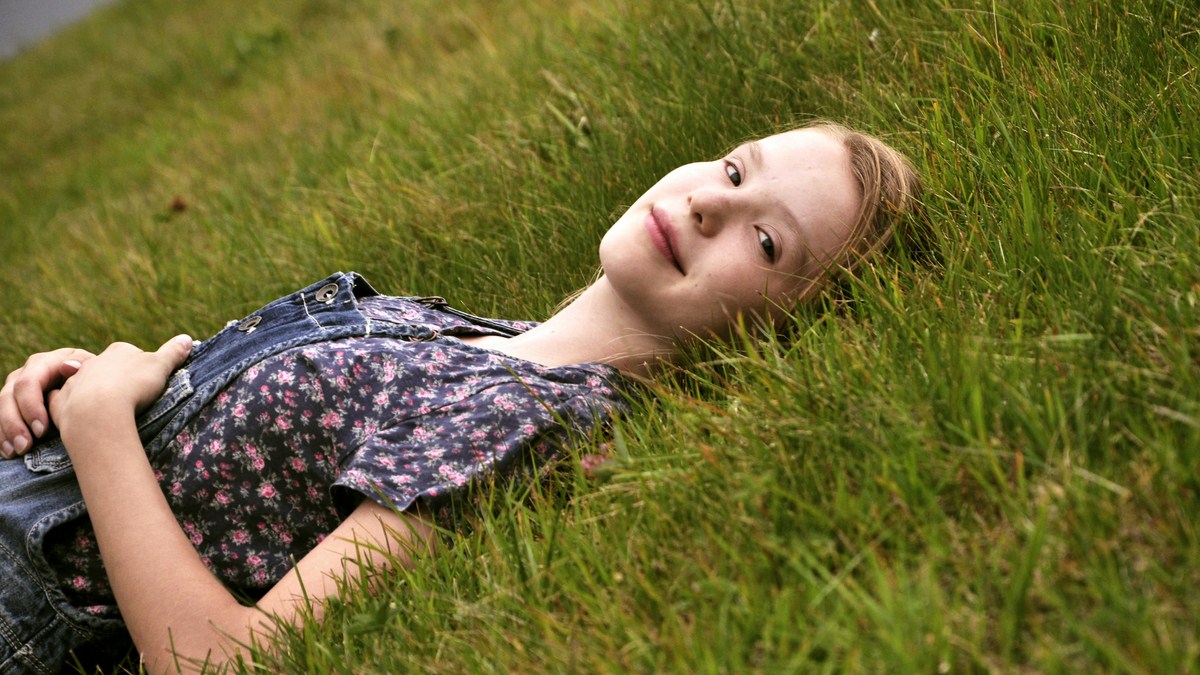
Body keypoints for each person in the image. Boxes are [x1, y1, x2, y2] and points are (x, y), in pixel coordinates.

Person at [0, 122, 921, 673]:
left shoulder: (538, 417)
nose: (713, 205)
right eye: (734, 168)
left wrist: (100, 431)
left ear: (780, 344)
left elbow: (228, 658)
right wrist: (98, 392)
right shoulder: (484, 338)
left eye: (767, 245)